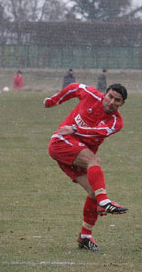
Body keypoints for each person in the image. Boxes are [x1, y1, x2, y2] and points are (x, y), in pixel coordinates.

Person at [44, 83, 129, 252]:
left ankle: (85, 236)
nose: (111, 102)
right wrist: (53, 101)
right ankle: (104, 201)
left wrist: (74, 128)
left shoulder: (115, 122)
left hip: (75, 153)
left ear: (122, 104)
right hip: (61, 142)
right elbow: (73, 88)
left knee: (92, 191)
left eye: (117, 100)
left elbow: (94, 132)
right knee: (94, 161)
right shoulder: (91, 94)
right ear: (104, 94)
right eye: (110, 96)